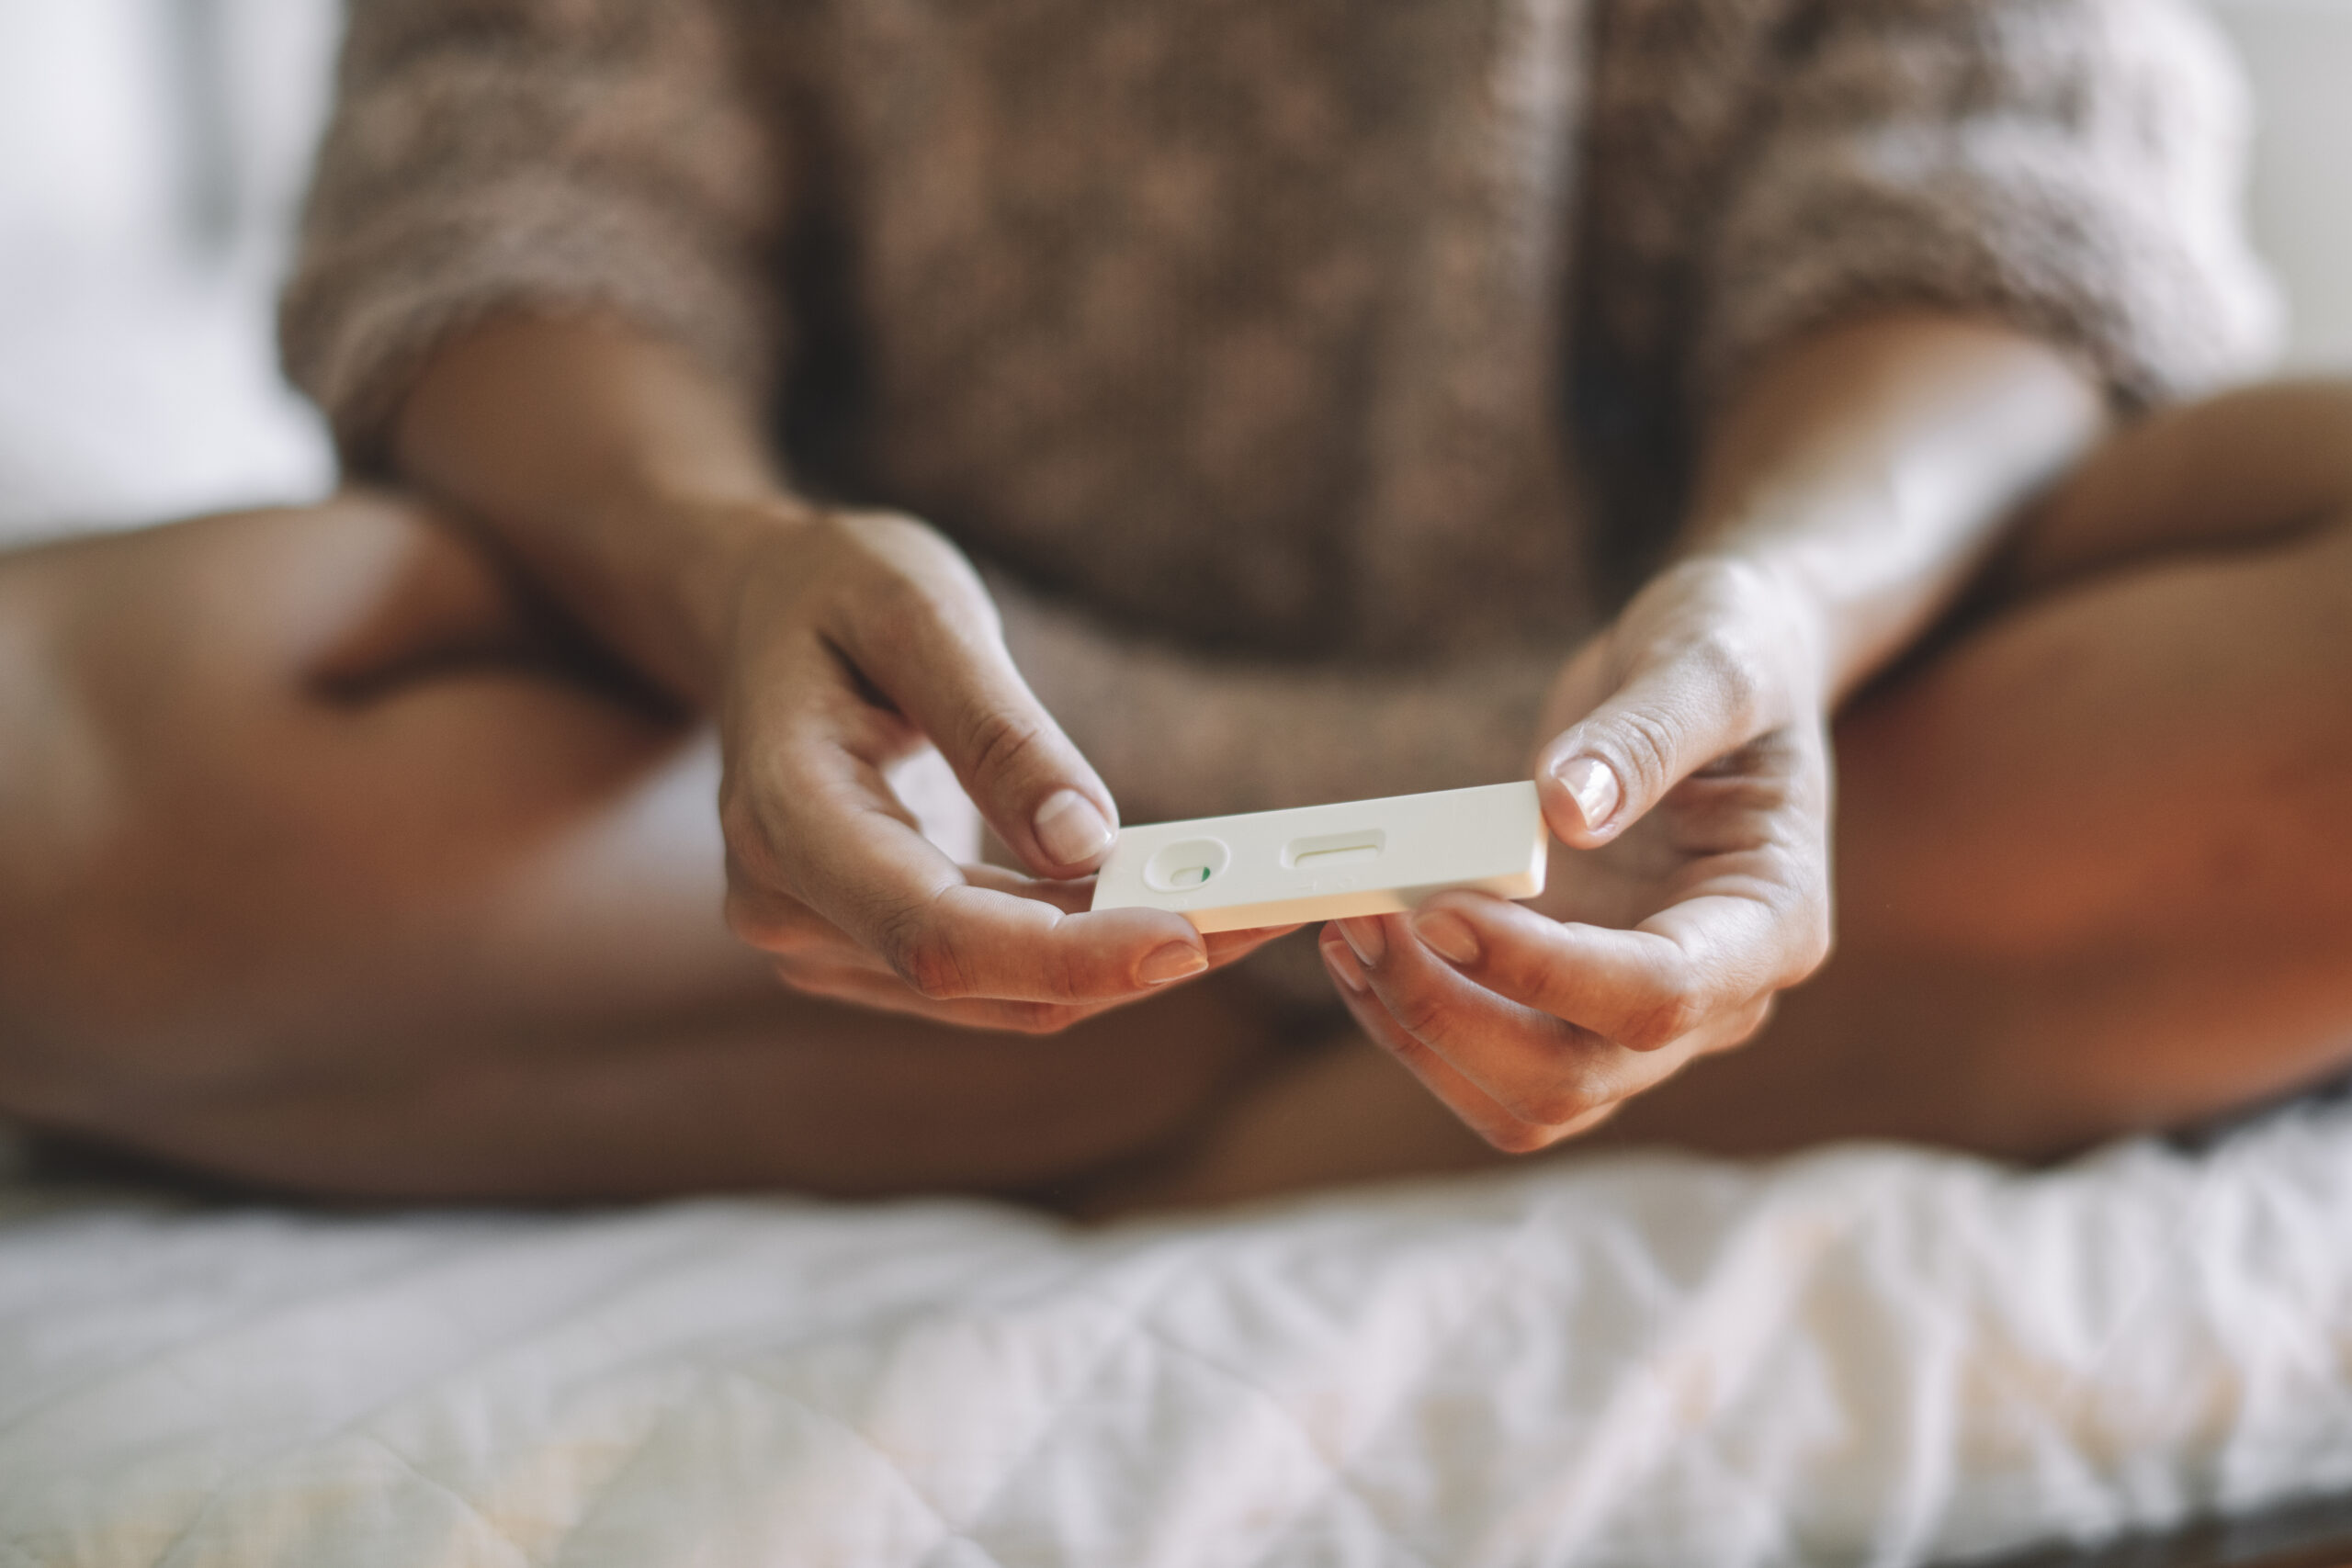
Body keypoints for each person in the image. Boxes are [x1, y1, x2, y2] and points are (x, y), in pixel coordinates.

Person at [1, 0, 2346, 1211]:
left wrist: (1780, 606)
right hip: (881, 731)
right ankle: (1348, 1061)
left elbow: (1991, 189)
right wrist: (726, 560)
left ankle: (1093, 1098)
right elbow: (513, 199)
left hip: (1779, 691)